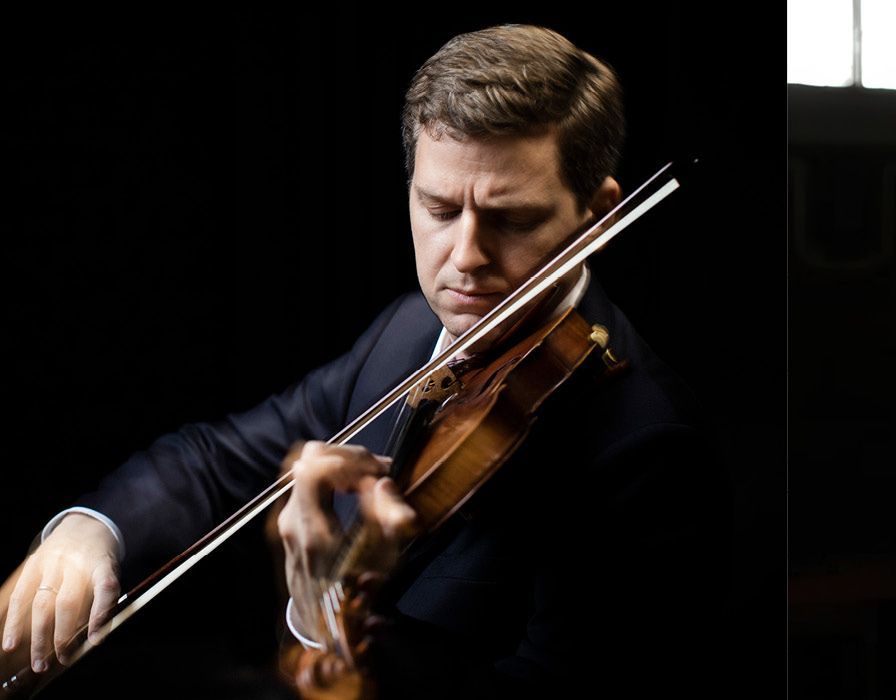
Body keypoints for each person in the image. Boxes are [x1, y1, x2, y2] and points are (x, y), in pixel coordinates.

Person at [1, 24, 725, 696]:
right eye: (440, 209)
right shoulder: (409, 329)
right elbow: (214, 457)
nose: (465, 259)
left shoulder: (646, 448)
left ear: (597, 216)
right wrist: (90, 529)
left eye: (510, 218)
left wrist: (321, 620)